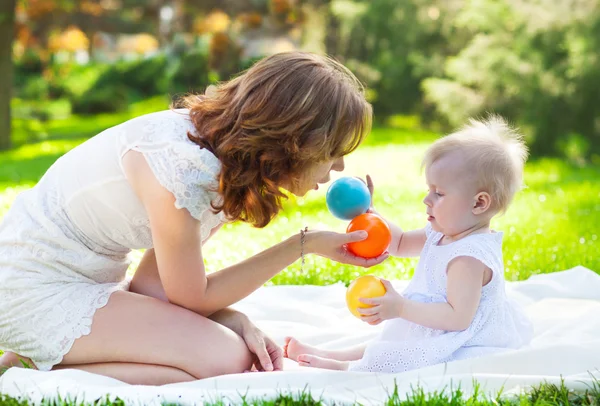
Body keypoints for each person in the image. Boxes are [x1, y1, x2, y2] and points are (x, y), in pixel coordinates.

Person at [0, 52, 388, 384]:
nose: (338, 166)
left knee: (225, 354)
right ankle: (35, 368)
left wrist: (232, 319)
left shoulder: (220, 157)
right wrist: (305, 245)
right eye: (333, 150)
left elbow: (154, 287)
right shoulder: (184, 169)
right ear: (294, 139)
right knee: (226, 360)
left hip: (80, 284)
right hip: (31, 290)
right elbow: (191, 296)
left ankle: (45, 357)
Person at [283, 115, 534, 372]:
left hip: (461, 341)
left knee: (398, 353)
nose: (427, 199)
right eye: (429, 189)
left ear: (479, 203)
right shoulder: (443, 232)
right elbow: (400, 243)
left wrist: (401, 307)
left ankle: (345, 369)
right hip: (432, 323)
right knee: (394, 340)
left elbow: (458, 319)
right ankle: (334, 354)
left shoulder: (468, 259)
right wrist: (370, 212)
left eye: (439, 193)